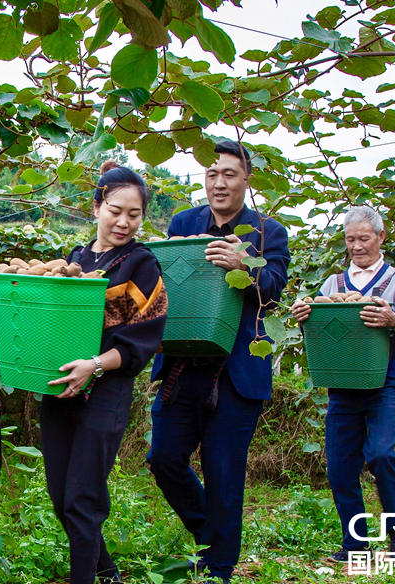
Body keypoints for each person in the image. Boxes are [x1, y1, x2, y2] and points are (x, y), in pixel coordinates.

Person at [147, 141, 291, 583]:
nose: (219, 182)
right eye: (212, 174)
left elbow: (274, 289)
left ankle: (219, 568)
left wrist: (243, 264)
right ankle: (212, 535)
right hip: (183, 363)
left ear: (247, 179)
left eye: (229, 173)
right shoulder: (183, 223)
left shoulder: (269, 231)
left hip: (236, 370)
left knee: (224, 471)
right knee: (164, 458)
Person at [39, 161, 168, 584]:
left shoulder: (142, 265)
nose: (124, 222)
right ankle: (107, 572)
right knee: (61, 497)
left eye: (134, 214)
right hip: (60, 388)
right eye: (116, 210)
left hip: (106, 391)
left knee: (82, 499)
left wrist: (94, 365)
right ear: (96, 206)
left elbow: (143, 339)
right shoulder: (76, 259)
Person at [291, 206, 395, 563]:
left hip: (383, 383)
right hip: (342, 385)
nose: (357, 246)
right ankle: (355, 544)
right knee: (340, 466)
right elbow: (318, 325)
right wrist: (303, 316)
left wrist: (394, 320)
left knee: (381, 454)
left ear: (381, 237)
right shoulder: (333, 284)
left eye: (364, 238)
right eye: (350, 239)